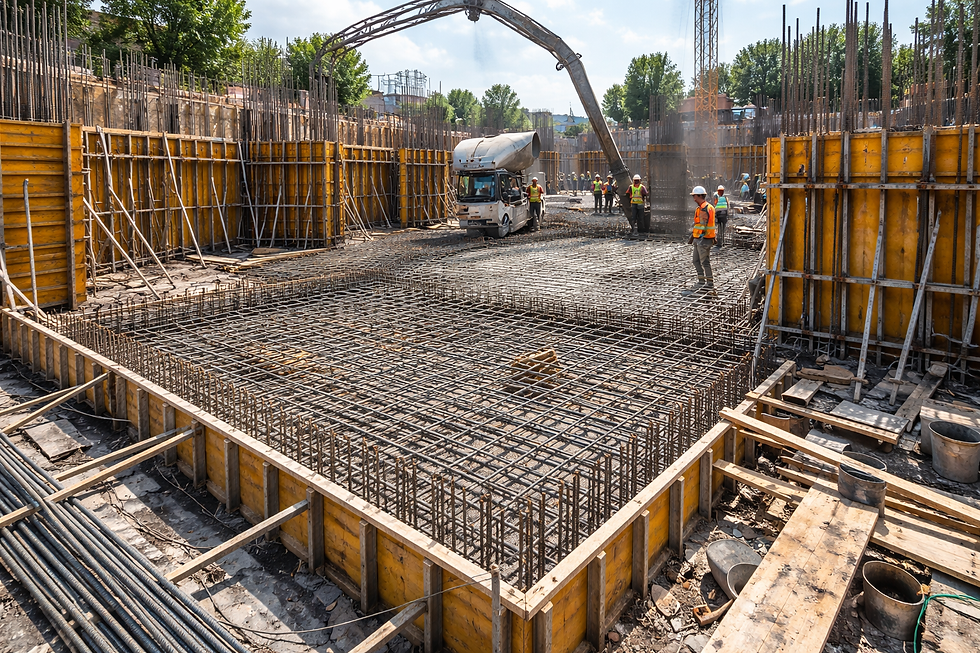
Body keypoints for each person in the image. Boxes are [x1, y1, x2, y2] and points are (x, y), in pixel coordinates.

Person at [689, 185, 716, 291]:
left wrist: (700, 238)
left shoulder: (705, 208)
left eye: (694, 196)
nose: (693, 198)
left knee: (705, 262)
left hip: (704, 240)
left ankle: (709, 283)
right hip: (699, 239)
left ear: (700, 195)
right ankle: (701, 280)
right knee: (695, 261)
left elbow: (704, 225)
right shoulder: (702, 207)